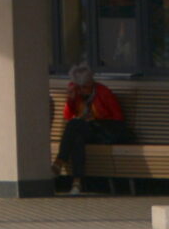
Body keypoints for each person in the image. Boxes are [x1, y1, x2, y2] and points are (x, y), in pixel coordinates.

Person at [51, 63, 129, 196]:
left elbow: (118, 120)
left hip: (105, 132)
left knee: (75, 126)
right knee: (77, 139)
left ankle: (59, 161)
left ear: (92, 83)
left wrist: (96, 119)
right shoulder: (76, 94)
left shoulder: (103, 92)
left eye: (85, 87)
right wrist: (70, 100)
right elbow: (68, 117)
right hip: (86, 131)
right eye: (79, 87)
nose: (82, 91)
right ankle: (77, 182)